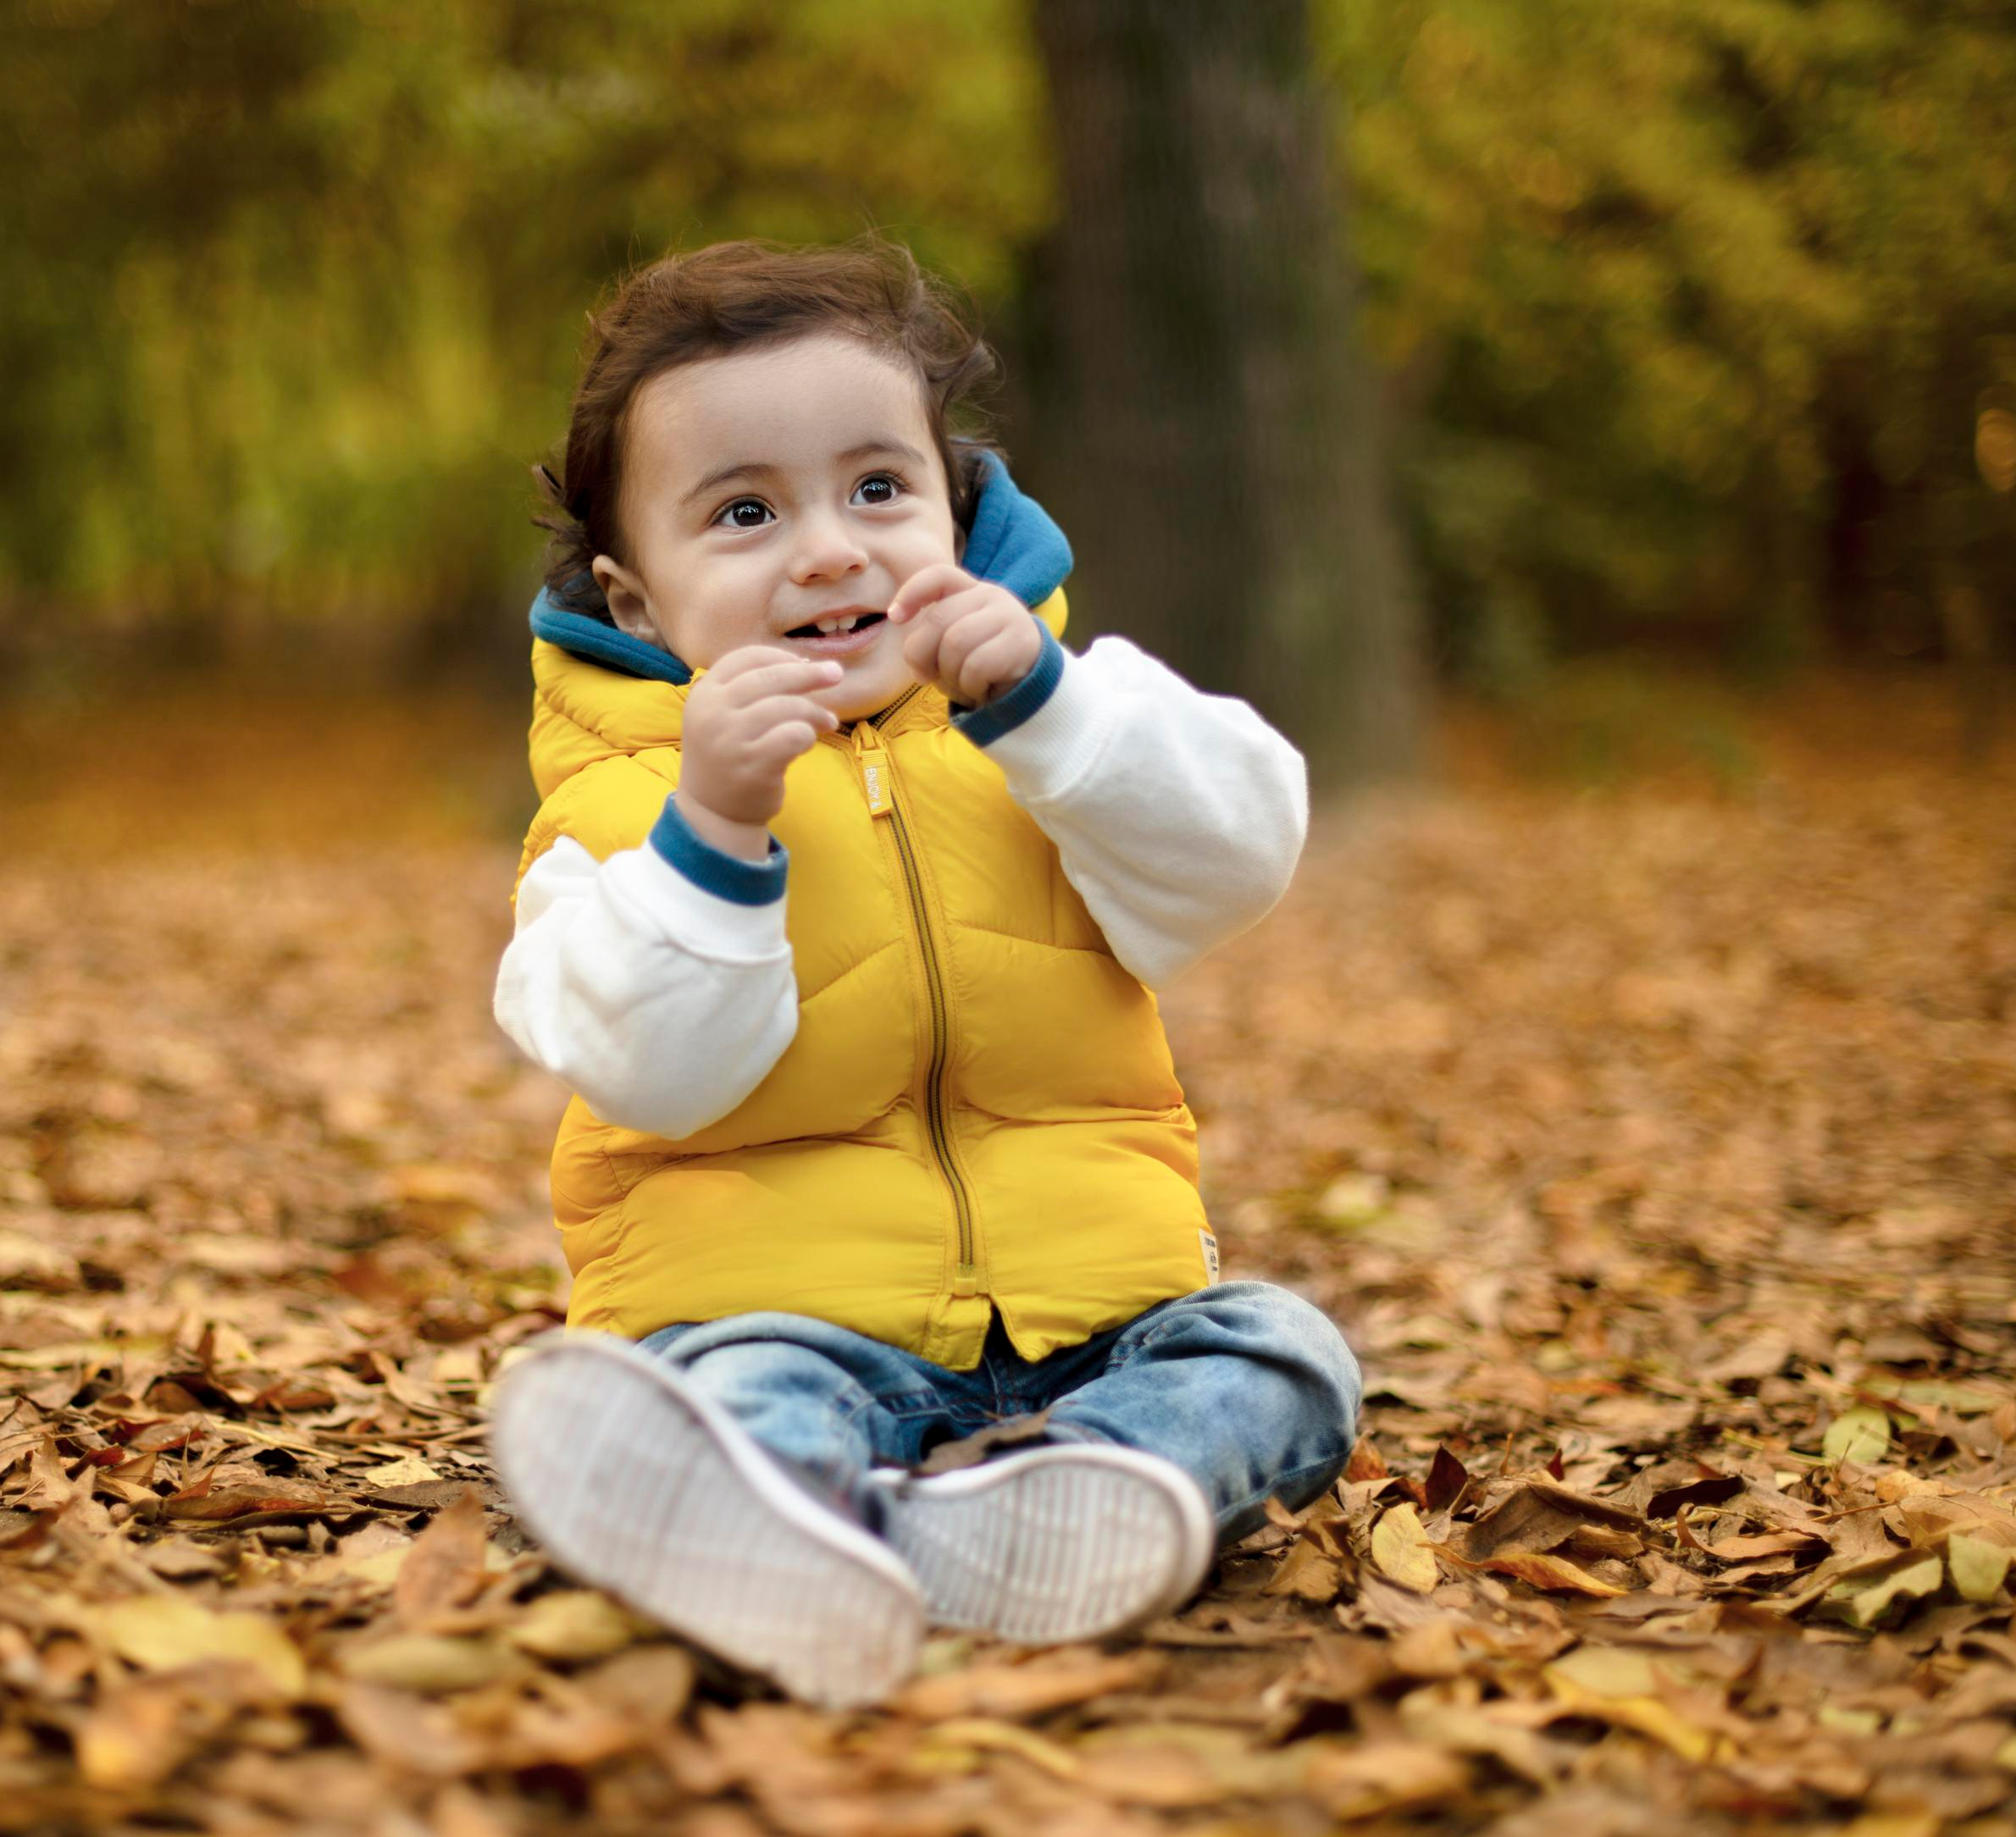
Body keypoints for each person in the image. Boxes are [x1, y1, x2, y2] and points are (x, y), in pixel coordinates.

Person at [489, 237, 1362, 1709]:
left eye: (877, 489)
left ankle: (1039, 1501)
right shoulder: (615, 820)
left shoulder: (1054, 721)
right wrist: (714, 834)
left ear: (956, 515)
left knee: (1286, 1354)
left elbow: (1238, 856)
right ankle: (788, 1520)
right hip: (775, 1314)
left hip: (1095, 1323)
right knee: (740, 1400)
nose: (829, 549)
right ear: (638, 605)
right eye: (747, 511)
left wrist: (1049, 710)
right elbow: (653, 1068)